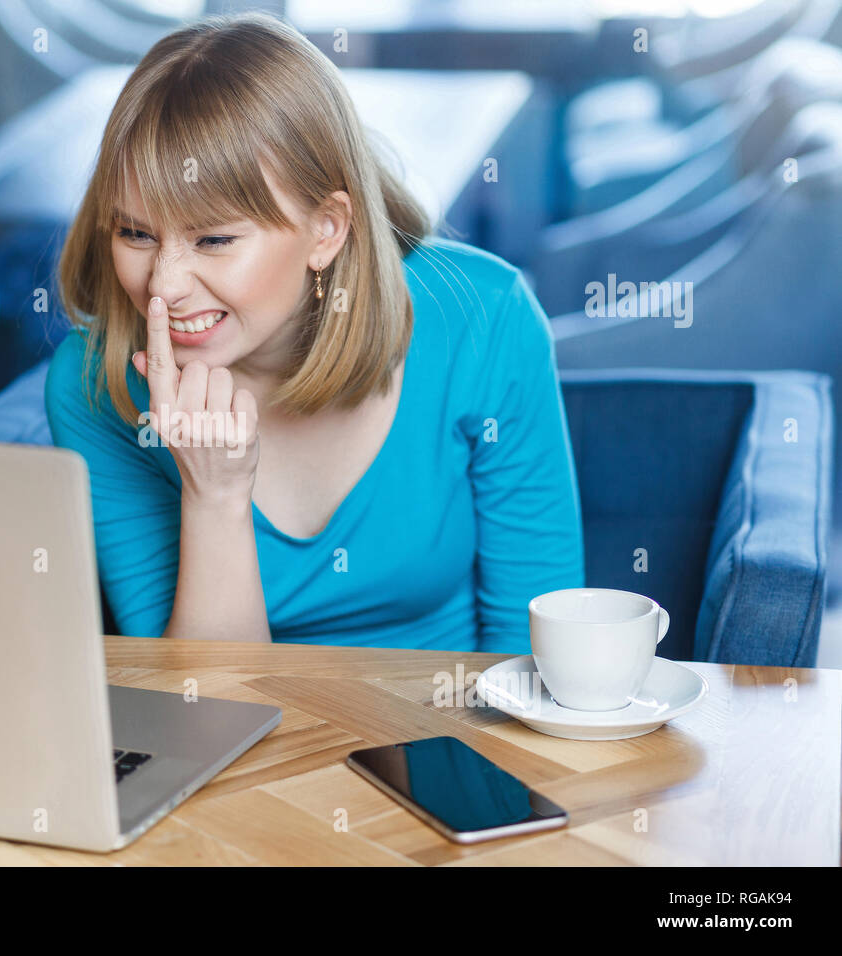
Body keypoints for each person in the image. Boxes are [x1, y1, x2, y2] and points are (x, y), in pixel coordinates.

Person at [44, 12, 584, 652]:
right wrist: (215, 495)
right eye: (135, 233)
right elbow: (204, 711)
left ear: (326, 230)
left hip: (458, 735)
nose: (162, 286)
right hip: (258, 746)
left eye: (214, 239)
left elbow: (537, 660)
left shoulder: (484, 320)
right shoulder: (93, 385)